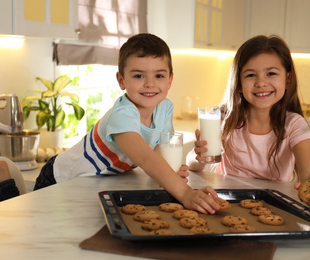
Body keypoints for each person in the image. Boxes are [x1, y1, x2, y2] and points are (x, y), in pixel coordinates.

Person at [27, 33, 220, 214]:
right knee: (30, 220)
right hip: (60, 178)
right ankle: (4, 181)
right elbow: (145, 159)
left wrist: (171, 173)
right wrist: (185, 193)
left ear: (169, 80)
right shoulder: (122, 115)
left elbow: (159, 149)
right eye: (138, 76)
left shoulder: (164, 107)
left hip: (93, 183)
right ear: (121, 81)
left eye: (159, 76)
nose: (150, 84)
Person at [187, 35, 310, 210]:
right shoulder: (224, 117)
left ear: (287, 80)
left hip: (272, 207)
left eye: (271, 73)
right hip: (223, 203)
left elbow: (309, 174)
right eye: (251, 75)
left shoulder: (294, 125)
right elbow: (192, 166)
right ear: (239, 84)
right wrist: (198, 156)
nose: (261, 83)